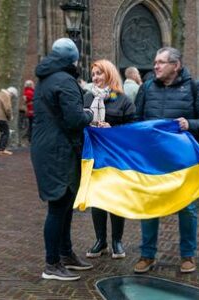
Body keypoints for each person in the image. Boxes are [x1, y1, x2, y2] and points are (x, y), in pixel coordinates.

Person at [133, 47, 199, 274]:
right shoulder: (147, 87)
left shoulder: (194, 87)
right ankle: (147, 255)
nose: (155, 66)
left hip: (183, 161)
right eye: (155, 61)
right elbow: (136, 121)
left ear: (175, 66)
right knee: (150, 206)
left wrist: (190, 124)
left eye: (161, 62)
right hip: (152, 159)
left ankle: (187, 255)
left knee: (187, 208)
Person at [30, 38, 94, 281]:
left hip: (48, 148)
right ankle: (52, 264)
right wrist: (89, 113)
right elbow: (74, 119)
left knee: (65, 204)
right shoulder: (65, 80)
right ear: (73, 59)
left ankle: (66, 254)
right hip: (59, 151)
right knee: (58, 206)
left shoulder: (46, 78)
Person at [83, 59, 136, 259]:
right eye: (94, 74)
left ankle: (117, 241)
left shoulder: (123, 100)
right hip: (94, 155)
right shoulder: (87, 98)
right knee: (97, 198)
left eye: (100, 73)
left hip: (115, 156)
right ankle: (100, 241)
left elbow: (132, 129)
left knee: (115, 198)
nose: (96, 77)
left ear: (110, 74)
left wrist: (112, 130)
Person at [0, 86, 17, 155]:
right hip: (0, 117)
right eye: (12, 95)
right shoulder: (6, 96)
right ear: (11, 93)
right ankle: (2, 150)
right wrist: (10, 117)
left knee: (3, 132)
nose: (12, 97)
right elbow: (8, 108)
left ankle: (0, 150)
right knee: (6, 132)